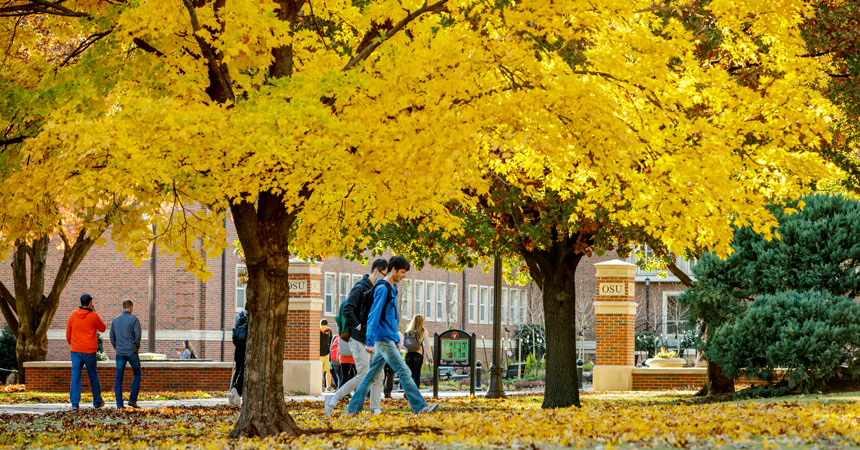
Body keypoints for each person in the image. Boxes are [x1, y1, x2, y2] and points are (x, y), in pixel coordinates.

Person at [346, 256, 438, 414]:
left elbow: (392, 319)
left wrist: (397, 340)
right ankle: (421, 407)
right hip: (383, 340)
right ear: (393, 269)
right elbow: (374, 316)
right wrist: (369, 341)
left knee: (370, 376)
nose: (404, 275)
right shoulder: (383, 289)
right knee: (404, 371)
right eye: (402, 272)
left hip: (388, 339)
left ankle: (353, 409)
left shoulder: (392, 289)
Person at [323, 258, 388, 416]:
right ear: (375, 272)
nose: (385, 279)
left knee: (379, 374)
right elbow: (348, 309)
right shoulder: (361, 287)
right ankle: (334, 398)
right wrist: (359, 326)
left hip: (371, 338)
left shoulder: (377, 289)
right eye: (383, 275)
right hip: (358, 338)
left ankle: (376, 409)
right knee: (363, 374)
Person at [66, 293, 106, 410]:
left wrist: (73, 345)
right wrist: (95, 311)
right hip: (89, 351)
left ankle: (74, 403)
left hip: (75, 350)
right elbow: (102, 328)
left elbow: (68, 334)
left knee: (76, 375)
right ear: (89, 303)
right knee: (93, 375)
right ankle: (97, 401)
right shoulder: (93, 316)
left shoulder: (73, 315)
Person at [110, 299, 142, 409]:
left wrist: (116, 347)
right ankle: (132, 400)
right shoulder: (134, 319)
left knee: (119, 377)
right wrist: (135, 346)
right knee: (137, 373)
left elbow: (112, 336)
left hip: (120, 352)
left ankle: (119, 404)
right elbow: (137, 336)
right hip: (131, 351)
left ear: (123, 307)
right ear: (131, 307)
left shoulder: (115, 320)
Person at [403, 314, 431, 388]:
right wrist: (430, 357)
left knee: (409, 375)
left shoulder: (408, 331)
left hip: (408, 354)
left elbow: (404, 344)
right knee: (416, 375)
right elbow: (427, 345)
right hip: (418, 354)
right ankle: (415, 393)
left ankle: (408, 391)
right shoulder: (423, 331)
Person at [229, 310, 247, 405]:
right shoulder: (253, 317)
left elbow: (234, 331)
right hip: (246, 348)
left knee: (237, 370)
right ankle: (236, 390)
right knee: (244, 370)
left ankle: (231, 391)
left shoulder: (238, 316)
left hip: (238, 348)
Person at [319, 319, 334, 392]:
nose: (323, 327)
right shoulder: (317, 332)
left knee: (328, 370)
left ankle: (328, 387)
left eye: (324, 326)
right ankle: (319, 387)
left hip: (326, 354)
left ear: (327, 326)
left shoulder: (329, 332)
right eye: (322, 326)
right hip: (318, 354)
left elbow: (330, 343)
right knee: (319, 371)